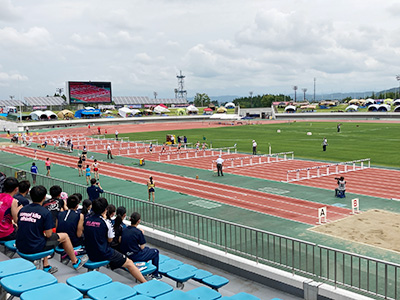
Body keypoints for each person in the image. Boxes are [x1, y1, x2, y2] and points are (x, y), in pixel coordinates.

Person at [17, 185, 88, 274]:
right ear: (44, 197)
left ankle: (46, 266)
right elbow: (49, 234)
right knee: (64, 236)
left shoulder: (23, 209)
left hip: (20, 245)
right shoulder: (45, 212)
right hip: (33, 247)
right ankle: (75, 262)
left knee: (39, 236)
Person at [83, 197, 146, 283]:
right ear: (105, 209)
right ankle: (145, 283)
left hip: (89, 251)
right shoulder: (106, 222)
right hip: (102, 252)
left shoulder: (86, 219)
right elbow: (110, 240)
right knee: (129, 263)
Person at [120, 212, 161, 279]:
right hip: (135, 256)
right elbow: (142, 247)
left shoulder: (124, 229)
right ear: (138, 221)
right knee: (155, 252)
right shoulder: (138, 232)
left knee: (147, 249)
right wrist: (141, 233)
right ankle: (155, 274)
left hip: (126, 254)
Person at [0, 177, 20, 242]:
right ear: (16, 189)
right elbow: (16, 220)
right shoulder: (13, 201)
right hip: (5, 234)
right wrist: (19, 208)